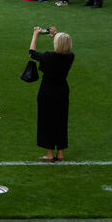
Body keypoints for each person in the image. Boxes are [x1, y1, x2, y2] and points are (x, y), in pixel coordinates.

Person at [29, 27, 74, 162]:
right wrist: (55, 35)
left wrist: (35, 35)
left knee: (46, 122)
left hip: (47, 92)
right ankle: (60, 153)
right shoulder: (70, 57)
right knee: (61, 121)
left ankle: (49, 154)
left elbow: (32, 53)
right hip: (62, 91)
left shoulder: (48, 56)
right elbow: (61, 49)